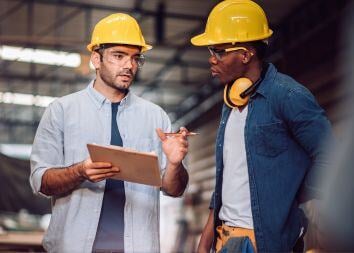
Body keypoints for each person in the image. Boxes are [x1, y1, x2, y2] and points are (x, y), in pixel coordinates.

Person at [30, 13, 189, 253]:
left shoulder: (155, 117)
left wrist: (176, 164)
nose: (129, 65)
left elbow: (174, 189)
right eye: (119, 56)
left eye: (136, 58)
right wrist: (80, 171)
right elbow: (41, 181)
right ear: (96, 58)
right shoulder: (62, 111)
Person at [190, 1, 332, 252]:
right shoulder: (230, 102)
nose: (211, 60)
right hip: (226, 240)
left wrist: (291, 193)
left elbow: (330, 157)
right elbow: (226, 178)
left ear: (245, 54)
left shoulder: (288, 96)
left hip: (264, 242)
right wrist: (206, 239)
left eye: (218, 51)